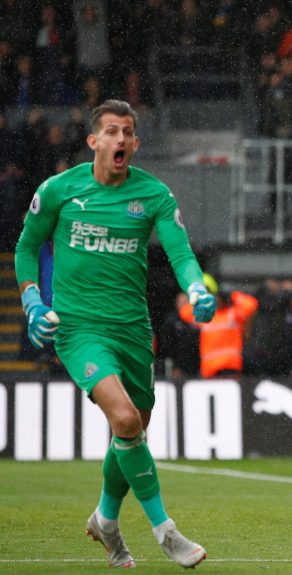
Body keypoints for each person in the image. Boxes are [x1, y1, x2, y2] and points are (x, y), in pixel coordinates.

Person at [14, 100, 211, 568]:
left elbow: (180, 253)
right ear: (94, 141)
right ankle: (165, 531)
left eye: (127, 132)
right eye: (111, 131)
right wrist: (31, 300)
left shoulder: (155, 195)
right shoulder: (60, 190)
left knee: (133, 427)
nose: (120, 139)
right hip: (79, 328)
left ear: (136, 143)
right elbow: (26, 248)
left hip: (132, 329)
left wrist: (197, 287)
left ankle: (105, 518)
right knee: (124, 420)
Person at [179, 274, 259, 379]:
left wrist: (232, 295)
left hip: (230, 368)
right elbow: (184, 313)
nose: (216, 300)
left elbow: (251, 304)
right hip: (209, 370)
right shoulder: (205, 315)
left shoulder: (233, 314)